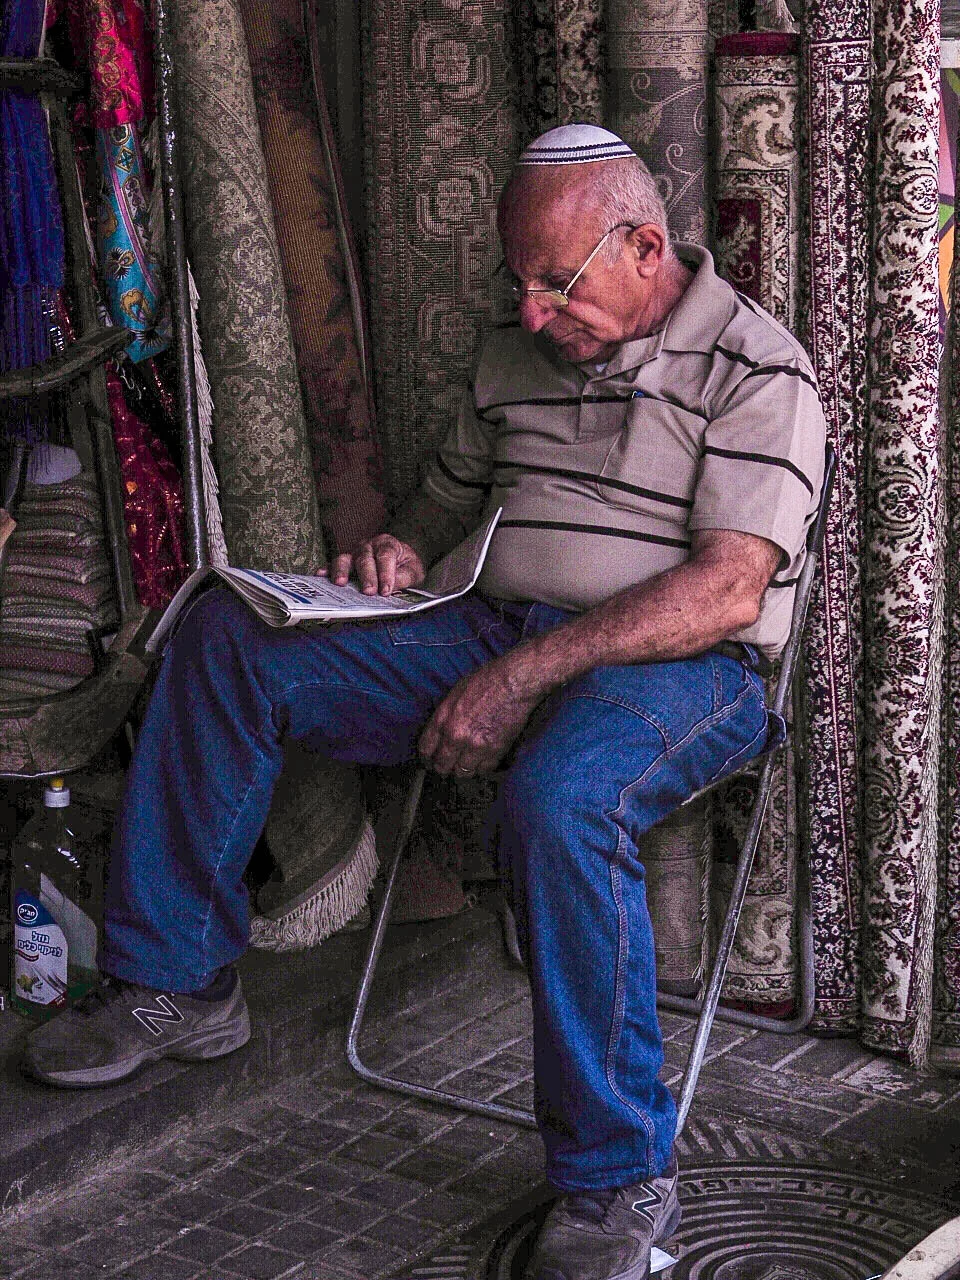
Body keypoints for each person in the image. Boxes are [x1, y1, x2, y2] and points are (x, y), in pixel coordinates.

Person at [23, 124, 826, 1280]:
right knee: (227, 637)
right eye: (520, 282)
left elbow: (726, 590)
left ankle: (617, 1183)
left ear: (646, 248)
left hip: (683, 669)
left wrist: (522, 677)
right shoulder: (517, 348)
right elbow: (447, 500)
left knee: (563, 793)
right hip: (493, 627)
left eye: (557, 282)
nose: (532, 313)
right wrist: (401, 549)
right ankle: (174, 978)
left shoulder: (760, 368)